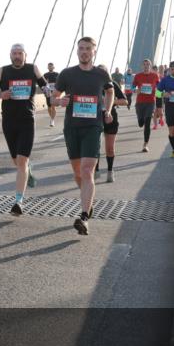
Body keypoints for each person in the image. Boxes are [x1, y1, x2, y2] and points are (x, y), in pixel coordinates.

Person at [52, 37, 115, 235]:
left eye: (88, 49)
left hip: (93, 127)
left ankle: (84, 216)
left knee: (88, 171)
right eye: (81, 48)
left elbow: (110, 91)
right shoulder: (67, 74)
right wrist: (58, 102)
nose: (84, 52)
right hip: (72, 127)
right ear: (77, 51)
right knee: (78, 173)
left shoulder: (101, 74)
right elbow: (53, 97)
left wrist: (107, 110)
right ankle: (88, 201)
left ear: (94, 52)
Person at [0, 43, 44, 215]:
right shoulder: (2, 71)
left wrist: (54, 98)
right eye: (14, 53)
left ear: (25, 55)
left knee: (21, 161)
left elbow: (46, 87)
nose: (17, 56)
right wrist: (1, 95)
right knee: (17, 161)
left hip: (27, 120)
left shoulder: (33, 69)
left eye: (20, 53)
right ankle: (28, 169)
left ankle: (18, 201)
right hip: (9, 121)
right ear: (10, 55)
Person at [97, 65, 128, 183]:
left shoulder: (113, 84)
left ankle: (110, 171)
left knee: (109, 148)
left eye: (103, 72)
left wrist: (111, 101)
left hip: (110, 118)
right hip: (95, 118)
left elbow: (125, 101)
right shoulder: (93, 84)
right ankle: (96, 170)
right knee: (95, 147)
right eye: (99, 72)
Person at [131, 59, 160, 152]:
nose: (146, 66)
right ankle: (140, 119)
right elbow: (132, 87)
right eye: (144, 64)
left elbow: (160, 87)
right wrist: (135, 90)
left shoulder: (155, 75)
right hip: (140, 102)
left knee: (147, 123)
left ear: (150, 66)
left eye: (148, 64)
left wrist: (160, 94)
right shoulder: (138, 76)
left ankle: (145, 144)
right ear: (142, 66)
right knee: (141, 123)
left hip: (151, 102)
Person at [42, 63, 59, 128]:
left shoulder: (57, 74)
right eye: (49, 66)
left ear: (53, 67)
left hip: (54, 92)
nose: (50, 67)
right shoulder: (45, 75)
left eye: (51, 66)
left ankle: (52, 120)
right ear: (47, 67)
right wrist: (44, 90)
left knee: (53, 106)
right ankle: (51, 118)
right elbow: (43, 84)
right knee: (49, 107)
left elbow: (60, 83)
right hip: (48, 92)